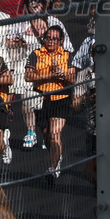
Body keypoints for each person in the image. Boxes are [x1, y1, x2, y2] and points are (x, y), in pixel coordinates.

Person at [24, 25, 75, 182]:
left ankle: (53, 168)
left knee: (54, 134)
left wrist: (63, 75)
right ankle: (56, 155)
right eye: (48, 38)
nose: (51, 41)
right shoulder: (36, 54)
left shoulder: (67, 56)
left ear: (61, 40)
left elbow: (73, 79)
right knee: (46, 135)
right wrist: (48, 75)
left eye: (54, 39)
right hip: (42, 98)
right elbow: (28, 76)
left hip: (61, 98)